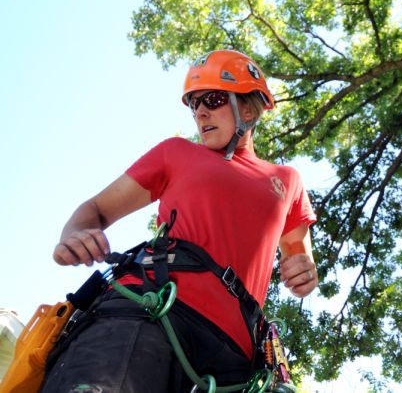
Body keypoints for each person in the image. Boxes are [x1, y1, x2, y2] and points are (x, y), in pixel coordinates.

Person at [42, 50, 318, 393]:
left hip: (233, 360)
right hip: (150, 312)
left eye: (213, 99)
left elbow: (298, 254)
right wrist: (75, 234)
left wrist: (304, 270)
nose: (200, 111)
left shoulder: (287, 180)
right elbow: (96, 209)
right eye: (194, 104)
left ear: (248, 108)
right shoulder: (176, 153)